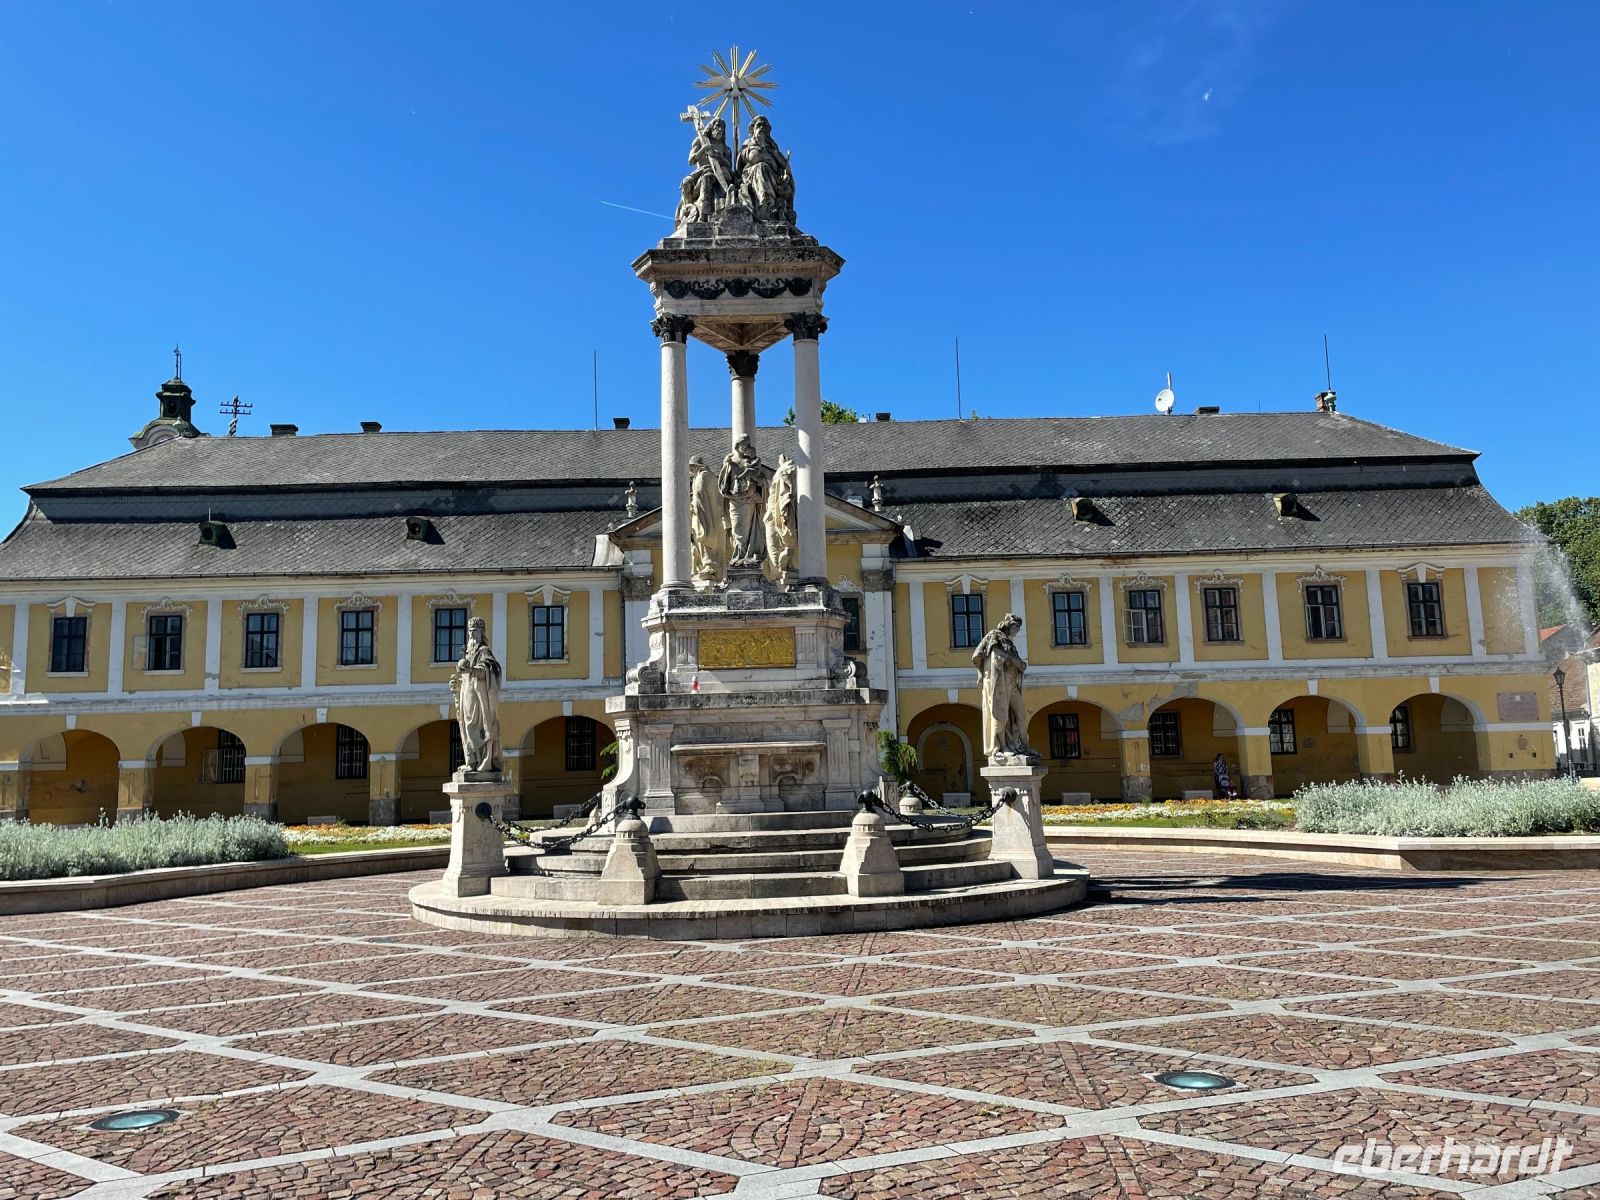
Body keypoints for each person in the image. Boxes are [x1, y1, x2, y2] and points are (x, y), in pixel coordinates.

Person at [972, 613, 1035, 762]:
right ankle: (1002, 747)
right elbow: (989, 653)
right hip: (1000, 681)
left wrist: (1017, 662)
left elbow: (1019, 664)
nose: (1017, 630)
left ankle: (1024, 745)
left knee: (1020, 715)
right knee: (1001, 715)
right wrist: (1013, 659)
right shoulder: (994, 636)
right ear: (1008, 625)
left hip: (1012, 682)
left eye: (1018, 628)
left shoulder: (1009, 643)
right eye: (1016, 627)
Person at [451, 617, 502, 773]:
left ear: (482, 633)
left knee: (477, 726)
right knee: (466, 725)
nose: (472, 634)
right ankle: (471, 761)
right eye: (470, 632)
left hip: (479, 697)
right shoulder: (467, 653)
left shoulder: (483, 651)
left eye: (475, 631)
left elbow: (492, 669)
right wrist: (457, 684)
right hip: (466, 693)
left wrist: (474, 671)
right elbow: (464, 676)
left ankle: (483, 759)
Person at [718, 436, 770, 568]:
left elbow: (762, 480)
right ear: (737, 446)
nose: (745, 447)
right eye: (742, 444)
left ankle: (746, 555)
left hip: (750, 500)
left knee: (748, 528)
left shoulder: (753, 461)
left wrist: (754, 478)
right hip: (735, 500)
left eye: (746, 444)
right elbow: (723, 484)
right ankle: (739, 555)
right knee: (737, 529)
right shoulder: (730, 461)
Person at [736, 115, 794, 224]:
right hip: (752, 173)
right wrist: (756, 148)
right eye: (759, 125)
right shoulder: (748, 143)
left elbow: (784, 164)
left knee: (765, 169)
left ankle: (772, 207)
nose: (762, 128)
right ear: (753, 128)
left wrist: (773, 153)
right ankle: (766, 204)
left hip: (774, 176)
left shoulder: (772, 146)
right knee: (761, 167)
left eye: (764, 126)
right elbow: (742, 161)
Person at [676, 117, 734, 225]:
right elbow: (691, 161)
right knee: (686, 183)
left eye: (722, 128)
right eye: (718, 126)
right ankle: (687, 209)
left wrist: (719, 157)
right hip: (701, 171)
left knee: (707, 178)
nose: (720, 129)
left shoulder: (725, 148)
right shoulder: (699, 141)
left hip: (719, 172)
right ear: (711, 128)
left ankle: (703, 214)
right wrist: (703, 149)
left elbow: (729, 165)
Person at [688, 455, 727, 586]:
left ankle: (710, 564)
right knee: (703, 538)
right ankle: (709, 565)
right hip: (711, 514)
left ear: (696, 466)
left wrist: (694, 508)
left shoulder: (702, 476)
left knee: (702, 537)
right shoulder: (709, 476)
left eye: (691, 467)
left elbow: (699, 495)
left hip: (703, 513)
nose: (690, 471)